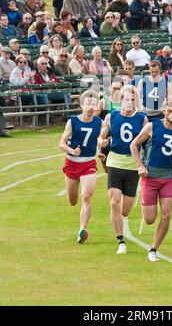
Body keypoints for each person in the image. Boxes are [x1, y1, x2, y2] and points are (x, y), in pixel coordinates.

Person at [130, 97, 172, 262]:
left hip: (168, 177)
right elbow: (133, 145)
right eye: (170, 111)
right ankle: (149, 213)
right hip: (150, 177)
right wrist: (140, 165)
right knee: (149, 219)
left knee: (166, 215)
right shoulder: (152, 126)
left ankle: (153, 249)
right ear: (164, 111)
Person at [98, 85, 148, 254]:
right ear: (121, 100)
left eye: (133, 100)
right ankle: (120, 241)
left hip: (133, 166)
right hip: (115, 163)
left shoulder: (142, 118)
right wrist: (102, 142)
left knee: (125, 210)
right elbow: (101, 135)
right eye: (127, 99)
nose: (129, 103)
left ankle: (119, 221)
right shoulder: (111, 117)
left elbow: (148, 142)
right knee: (114, 202)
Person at [59, 89, 103, 243]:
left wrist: (101, 146)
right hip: (72, 163)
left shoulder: (99, 122)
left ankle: (82, 230)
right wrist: (72, 151)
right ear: (82, 105)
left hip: (89, 163)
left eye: (94, 104)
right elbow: (61, 143)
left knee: (86, 195)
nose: (91, 107)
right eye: (88, 104)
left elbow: (100, 139)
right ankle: (73, 198)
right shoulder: (73, 121)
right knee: (72, 200)